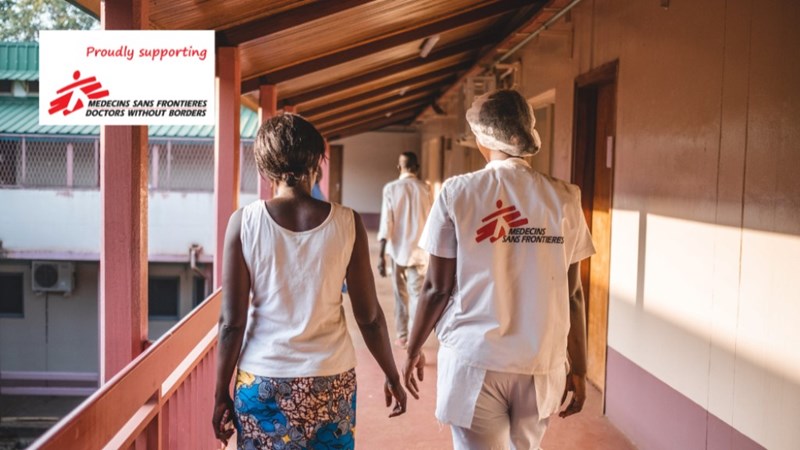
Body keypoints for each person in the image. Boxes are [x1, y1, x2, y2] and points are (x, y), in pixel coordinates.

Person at [403, 89, 595, 450]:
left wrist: (413, 349)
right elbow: (573, 294)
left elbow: (436, 289)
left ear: (481, 138)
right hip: (540, 362)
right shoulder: (566, 197)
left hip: (475, 360)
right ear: (528, 132)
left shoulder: (457, 193)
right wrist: (580, 368)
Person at [212, 113, 406, 449]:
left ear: (264, 169)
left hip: (262, 379)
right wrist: (392, 374)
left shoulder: (244, 222)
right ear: (317, 162)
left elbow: (231, 323)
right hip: (329, 379)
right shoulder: (348, 222)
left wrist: (220, 394)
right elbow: (370, 318)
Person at [377, 152, 432, 348]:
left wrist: (381, 255)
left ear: (399, 168)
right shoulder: (426, 189)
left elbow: (386, 222)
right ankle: (415, 338)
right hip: (420, 252)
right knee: (417, 296)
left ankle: (402, 335)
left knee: (400, 295)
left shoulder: (390, 189)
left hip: (397, 251)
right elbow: (432, 222)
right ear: (417, 168)